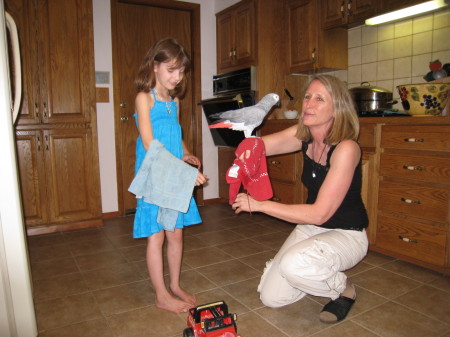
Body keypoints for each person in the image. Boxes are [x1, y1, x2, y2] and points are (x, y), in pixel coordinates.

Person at [231, 74, 369, 323]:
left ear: (337, 108)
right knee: (271, 297)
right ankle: (311, 270)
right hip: (312, 229)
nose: (309, 104)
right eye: (307, 97)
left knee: (295, 265)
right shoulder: (304, 135)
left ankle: (344, 288)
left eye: (319, 99)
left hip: (347, 233)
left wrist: (261, 205)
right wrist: (244, 151)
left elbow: (320, 213)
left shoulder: (347, 148)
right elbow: (260, 148)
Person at [133, 38, 207, 313]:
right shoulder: (145, 97)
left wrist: (186, 154)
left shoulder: (173, 101)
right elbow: (151, 143)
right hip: (155, 175)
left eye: (181, 71)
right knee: (157, 235)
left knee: (175, 232)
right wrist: (180, 168)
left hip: (174, 172)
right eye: (171, 70)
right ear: (155, 66)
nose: (177, 77)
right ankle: (161, 294)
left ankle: (174, 285)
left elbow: (175, 134)